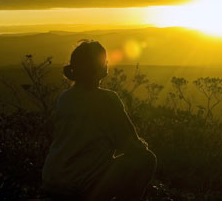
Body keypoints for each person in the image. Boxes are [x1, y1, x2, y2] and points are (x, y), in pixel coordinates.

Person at [42, 39, 157, 200]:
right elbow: (130, 145)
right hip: (80, 186)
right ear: (101, 68)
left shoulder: (64, 98)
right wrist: (140, 145)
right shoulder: (107, 100)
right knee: (146, 159)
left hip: (51, 181)